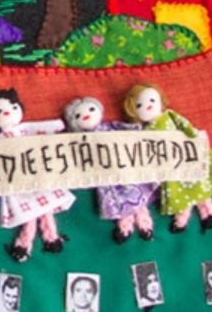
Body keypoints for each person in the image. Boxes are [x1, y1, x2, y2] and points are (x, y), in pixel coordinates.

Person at [124, 84, 212, 233]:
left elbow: (184, 125)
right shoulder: (146, 131)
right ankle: (181, 220)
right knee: (180, 193)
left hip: (186, 156)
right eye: (139, 105)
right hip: (169, 166)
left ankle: (208, 213)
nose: (147, 105)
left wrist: (194, 135)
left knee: (198, 184)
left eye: (151, 100)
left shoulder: (169, 115)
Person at [0, 89, 74, 262]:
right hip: (16, 180)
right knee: (29, 212)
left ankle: (51, 237)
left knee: (44, 206)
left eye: (13, 107)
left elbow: (44, 129)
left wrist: (58, 126)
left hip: (37, 173)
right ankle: (24, 244)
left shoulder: (24, 130)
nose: (7, 113)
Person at [64, 96, 157, 243]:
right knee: (120, 201)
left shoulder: (110, 127)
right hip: (107, 178)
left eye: (91, 109)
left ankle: (145, 225)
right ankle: (124, 227)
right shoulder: (82, 140)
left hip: (125, 166)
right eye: (78, 115)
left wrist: (137, 131)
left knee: (137, 195)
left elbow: (127, 129)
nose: (86, 115)